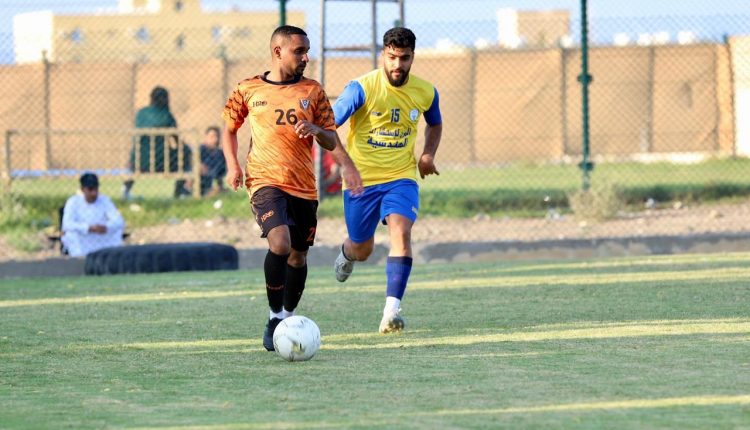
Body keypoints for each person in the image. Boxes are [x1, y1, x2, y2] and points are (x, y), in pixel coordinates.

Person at [221, 25, 363, 351]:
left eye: (307, 51)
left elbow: (330, 137)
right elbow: (229, 129)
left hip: (304, 187)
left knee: (298, 257)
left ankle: (288, 315)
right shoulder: (247, 89)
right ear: (278, 52)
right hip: (264, 181)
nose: (305, 57)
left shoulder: (313, 91)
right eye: (299, 51)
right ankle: (274, 318)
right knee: (280, 243)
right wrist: (233, 165)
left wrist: (315, 129)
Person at [331, 27, 443, 334]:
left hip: (401, 178)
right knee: (362, 249)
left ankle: (391, 311)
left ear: (412, 57)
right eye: (392, 57)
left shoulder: (426, 91)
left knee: (401, 232)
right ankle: (347, 252)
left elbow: (435, 123)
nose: (397, 65)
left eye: (404, 58)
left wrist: (427, 155)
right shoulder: (361, 88)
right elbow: (327, 126)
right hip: (361, 182)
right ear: (383, 54)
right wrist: (346, 166)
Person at [125, 86, 191, 199]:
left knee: (137, 154)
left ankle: (126, 189)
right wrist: (187, 149)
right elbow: (176, 140)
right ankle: (179, 192)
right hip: (160, 162)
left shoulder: (141, 113)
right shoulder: (167, 115)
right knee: (185, 153)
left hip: (137, 162)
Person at [61, 172, 125, 257]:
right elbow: (67, 224)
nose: (94, 193)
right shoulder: (73, 202)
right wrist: (88, 228)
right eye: (90, 189)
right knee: (72, 234)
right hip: (82, 238)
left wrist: (106, 227)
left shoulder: (104, 200)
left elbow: (119, 221)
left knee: (116, 231)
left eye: (96, 189)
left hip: (102, 237)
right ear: (82, 189)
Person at [199, 126, 227, 197]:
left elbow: (220, 175)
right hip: (200, 183)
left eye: (217, 136)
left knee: (225, 192)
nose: (215, 140)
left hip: (212, 183)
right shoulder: (200, 150)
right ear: (206, 138)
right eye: (212, 137)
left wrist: (220, 186)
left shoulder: (220, 154)